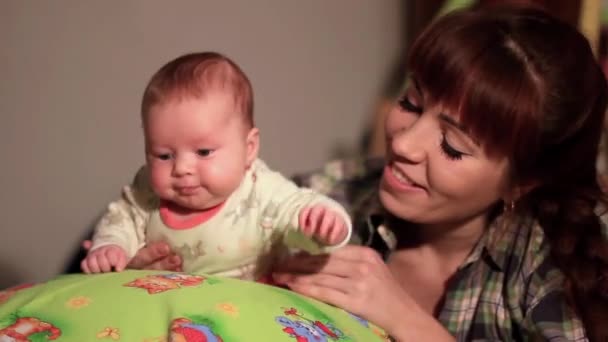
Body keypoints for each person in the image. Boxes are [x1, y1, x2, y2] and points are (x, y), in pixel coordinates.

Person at [95, 6, 608, 341]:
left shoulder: (553, 264)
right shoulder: (335, 193)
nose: (403, 143)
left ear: (522, 181)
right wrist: (154, 272)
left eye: (452, 146)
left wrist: (403, 318)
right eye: (410, 103)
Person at [80, 52, 352, 280]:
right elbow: (122, 218)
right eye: (164, 155)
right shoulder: (148, 191)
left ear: (249, 149)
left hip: (249, 310)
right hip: (168, 306)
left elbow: (297, 208)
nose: (182, 168)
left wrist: (322, 221)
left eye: (204, 151)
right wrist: (111, 247)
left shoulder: (260, 190)